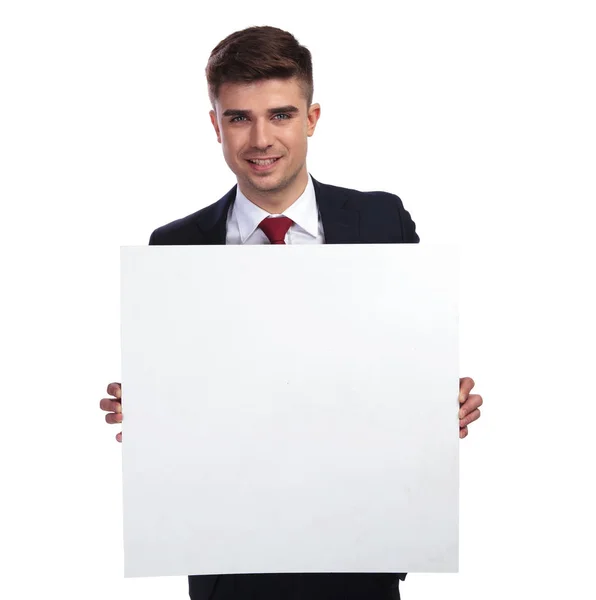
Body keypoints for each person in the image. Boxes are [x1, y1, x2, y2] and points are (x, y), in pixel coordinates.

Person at [99, 25, 483, 600]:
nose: (260, 138)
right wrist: (157, 414)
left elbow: (401, 364)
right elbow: (190, 402)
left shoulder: (383, 223)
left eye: (280, 115)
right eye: (238, 118)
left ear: (312, 118)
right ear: (215, 125)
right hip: (227, 559)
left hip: (361, 551)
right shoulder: (175, 247)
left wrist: (434, 406)